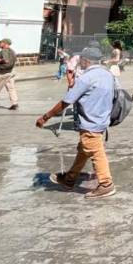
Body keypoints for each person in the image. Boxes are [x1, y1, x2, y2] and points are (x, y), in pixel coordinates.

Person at [36, 48, 118, 199]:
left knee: (96, 152)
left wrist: (45, 117)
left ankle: (106, 184)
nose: (80, 63)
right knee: (84, 150)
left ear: (86, 60)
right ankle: (69, 179)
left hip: (90, 122)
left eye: (81, 60)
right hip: (102, 120)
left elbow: (66, 101)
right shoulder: (108, 75)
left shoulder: (86, 78)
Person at [0, 38, 19, 111]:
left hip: (3, 73)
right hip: (10, 72)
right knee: (11, 88)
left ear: (5, 43)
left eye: (0, 42)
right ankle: (14, 103)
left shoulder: (4, 51)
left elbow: (6, 61)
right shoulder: (12, 51)